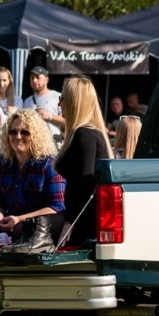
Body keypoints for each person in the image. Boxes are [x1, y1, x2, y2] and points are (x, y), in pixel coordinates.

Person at [0, 108, 65, 252]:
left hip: (40, 224)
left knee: (21, 229)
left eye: (25, 132)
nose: (18, 136)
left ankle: (0, 239)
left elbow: (57, 208)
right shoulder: (1, 164)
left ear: (35, 136)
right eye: (13, 132)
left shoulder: (49, 163)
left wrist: (19, 219)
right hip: (10, 222)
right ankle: (0, 238)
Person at [56, 76, 112, 246]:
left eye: (62, 99)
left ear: (74, 102)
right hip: (80, 217)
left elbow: (85, 184)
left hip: (82, 222)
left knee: (27, 228)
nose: (59, 104)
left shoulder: (84, 134)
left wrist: (69, 223)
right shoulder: (88, 133)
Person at [21, 65, 65, 141]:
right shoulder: (27, 101)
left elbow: (66, 120)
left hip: (52, 141)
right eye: (32, 78)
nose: (34, 80)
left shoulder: (57, 96)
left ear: (46, 80)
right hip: (33, 141)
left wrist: (49, 116)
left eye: (38, 77)